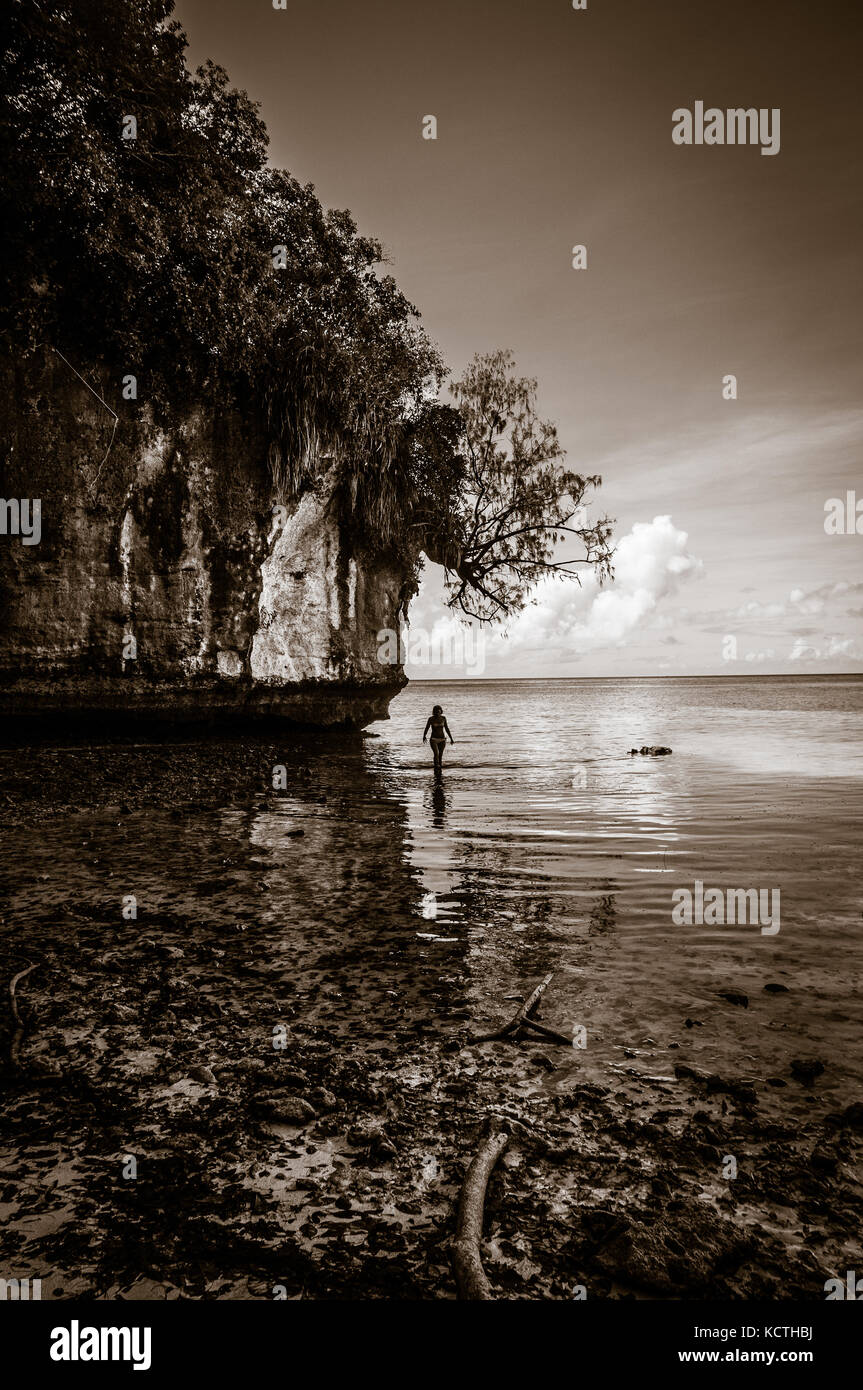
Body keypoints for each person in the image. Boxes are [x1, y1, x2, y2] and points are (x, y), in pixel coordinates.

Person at [423, 704, 454, 771]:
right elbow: (427, 728)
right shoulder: (431, 719)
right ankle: (436, 766)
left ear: (441, 711)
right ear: (434, 712)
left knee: (440, 755)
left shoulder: (443, 718)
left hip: (442, 739)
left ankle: (439, 768)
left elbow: (446, 728)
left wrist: (451, 738)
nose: (437, 713)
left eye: (438, 712)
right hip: (433, 739)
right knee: (436, 753)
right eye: (436, 712)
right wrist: (424, 736)